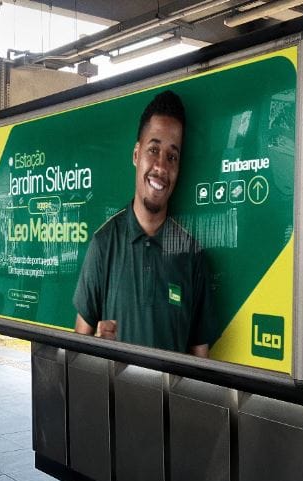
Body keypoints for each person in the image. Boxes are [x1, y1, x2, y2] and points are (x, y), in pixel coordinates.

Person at [73, 90, 215, 357]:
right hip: (112, 400)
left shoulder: (192, 256)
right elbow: (79, 348)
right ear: (136, 155)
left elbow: (202, 362)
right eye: (153, 150)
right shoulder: (104, 244)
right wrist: (98, 350)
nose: (161, 166)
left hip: (170, 401)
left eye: (172, 156)